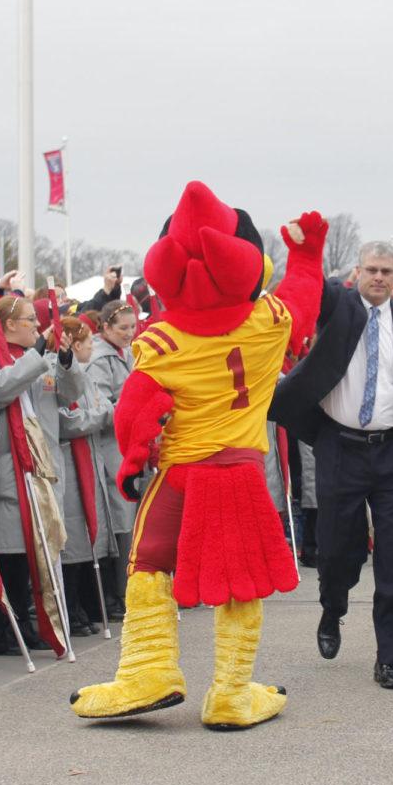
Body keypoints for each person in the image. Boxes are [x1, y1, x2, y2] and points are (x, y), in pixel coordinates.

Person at [71, 181, 326, 729]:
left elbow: (133, 412)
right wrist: (307, 252)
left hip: (183, 472)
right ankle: (232, 693)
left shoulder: (159, 339)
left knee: (147, 566)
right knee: (239, 581)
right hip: (240, 472)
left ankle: (148, 670)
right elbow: (306, 295)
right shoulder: (270, 322)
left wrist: (137, 456)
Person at [271, 241, 393, 690]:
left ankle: (390, 659)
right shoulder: (339, 308)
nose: (378, 277)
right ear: (357, 272)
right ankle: (332, 607)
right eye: (371, 269)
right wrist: (306, 244)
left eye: (386, 271)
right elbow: (311, 284)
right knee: (338, 552)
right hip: (340, 446)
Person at [0, 296, 84, 654]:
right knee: (8, 552)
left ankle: (24, 622)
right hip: (7, 469)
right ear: (7, 326)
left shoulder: (43, 359)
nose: (37, 326)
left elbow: (70, 395)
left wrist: (65, 363)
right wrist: (37, 354)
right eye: (29, 321)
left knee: (36, 553)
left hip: (43, 467)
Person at [57, 317, 116, 636]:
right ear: (75, 346)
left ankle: (86, 604)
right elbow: (70, 420)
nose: (93, 348)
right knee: (73, 540)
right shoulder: (64, 375)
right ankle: (73, 605)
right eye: (89, 343)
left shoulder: (86, 375)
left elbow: (102, 406)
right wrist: (102, 415)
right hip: (69, 462)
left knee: (88, 537)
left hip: (90, 462)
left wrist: (101, 413)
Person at [86, 300, 138, 621]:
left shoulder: (127, 354)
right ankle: (116, 593)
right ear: (105, 327)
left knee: (131, 519)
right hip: (111, 447)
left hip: (131, 445)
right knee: (119, 519)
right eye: (122, 328)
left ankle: (128, 588)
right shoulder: (98, 359)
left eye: (133, 327)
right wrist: (133, 406)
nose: (130, 334)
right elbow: (100, 402)